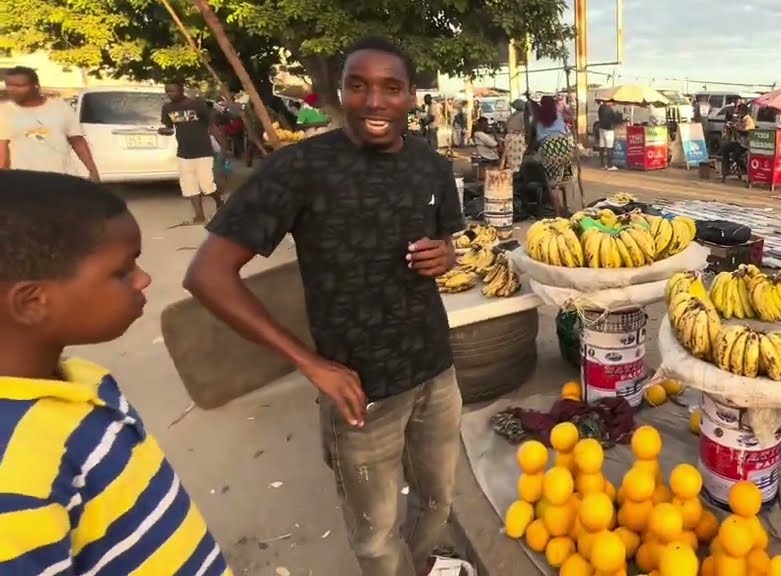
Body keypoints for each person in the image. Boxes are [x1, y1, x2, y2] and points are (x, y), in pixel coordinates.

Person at [183, 36, 474, 576]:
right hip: (359, 391)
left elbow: (448, 246)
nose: (374, 101)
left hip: (436, 371)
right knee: (376, 533)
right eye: (358, 85)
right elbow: (207, 275)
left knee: (438, 500)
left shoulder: (432, 167)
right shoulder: (299, 169)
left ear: (412, 96)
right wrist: (309, 363)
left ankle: (429, 562)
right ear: (339, 93)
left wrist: (446, 255)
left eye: (391, 87)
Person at [0, 169, 231, 575]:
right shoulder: (12, 477)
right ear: (32, 302)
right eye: (122, 271)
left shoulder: (82, 377)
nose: (143, 279)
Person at [0, 66, 99, 179]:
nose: (12, 90)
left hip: (63, 178)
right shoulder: (4, 112)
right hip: (24, 181)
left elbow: (78, 141)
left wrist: (93, 170)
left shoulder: (61, 108)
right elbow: (2, 152)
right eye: (9, 85)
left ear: (36, 85)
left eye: (19, 85)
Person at [161, 80, 227, 224]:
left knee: (207, 185)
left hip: (203, 150)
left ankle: (219, 200)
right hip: (184, 152)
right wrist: (164, 131)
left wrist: (223, 145)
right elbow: (169, 128)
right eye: (168, 91)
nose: (171, 94)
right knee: (189, 185)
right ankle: (199, 215)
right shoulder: (167, 108)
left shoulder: (195, 104)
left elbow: (210, 125)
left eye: (173, 90)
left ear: (181, 90)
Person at [533, 95, 575, 217]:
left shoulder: (538, 117)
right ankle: (563, 208)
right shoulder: (558, 114)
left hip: (549, 149)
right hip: (564, 147)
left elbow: (534, 137)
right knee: (561, 181)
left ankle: (557, 213)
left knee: (552, 185)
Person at [720, 101, 755, 181]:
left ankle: (743, 168)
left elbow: (746, 132)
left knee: (735, 155)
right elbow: (736, 128)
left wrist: (737, 129)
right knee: (724, 148)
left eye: (740, 111)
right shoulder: (740, 119)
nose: (739, 113)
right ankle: (726, 169)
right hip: (738, 142)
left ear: (744, 111)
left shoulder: (749, 121)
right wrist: (731, 127)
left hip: (745, 144)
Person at [501, 101, 527, 170]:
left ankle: (511, 173)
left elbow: (506, 127)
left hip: (509, 137)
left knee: (510, 158)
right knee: (518, 159)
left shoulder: (512, 115)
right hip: (518, 138)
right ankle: (517, 173)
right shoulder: (522, 115)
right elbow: (526, 127)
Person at [596, 101, 621, 169]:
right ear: (609, 102)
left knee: (602, 146)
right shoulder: (610, 109)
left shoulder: (601, 107)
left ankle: (602, 164)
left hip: (601, 128)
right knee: (609, 147)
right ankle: (609, 165)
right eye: (612, 103)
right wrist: (617, 114)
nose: (613, 104)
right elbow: (616, 119)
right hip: (609, 129)